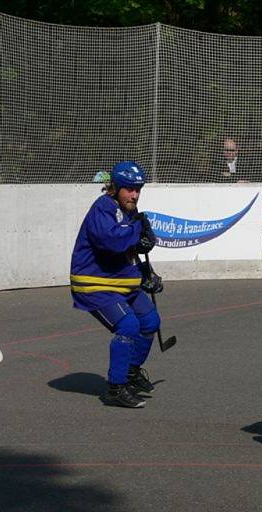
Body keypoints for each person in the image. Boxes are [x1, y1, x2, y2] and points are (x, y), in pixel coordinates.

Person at [69, 161, 163, 409]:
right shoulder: (103, 208)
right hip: (94, 283)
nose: (135, 194)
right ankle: (116, 387)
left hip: (119, 281)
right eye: (129, 189)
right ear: (117, 187)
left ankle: (130, 372)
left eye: (138, 189)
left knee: (150, 320)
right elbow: (111, 242)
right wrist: (137, 233)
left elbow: (128, 251)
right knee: (128, 325)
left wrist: (146, 273)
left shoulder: (129, 209)